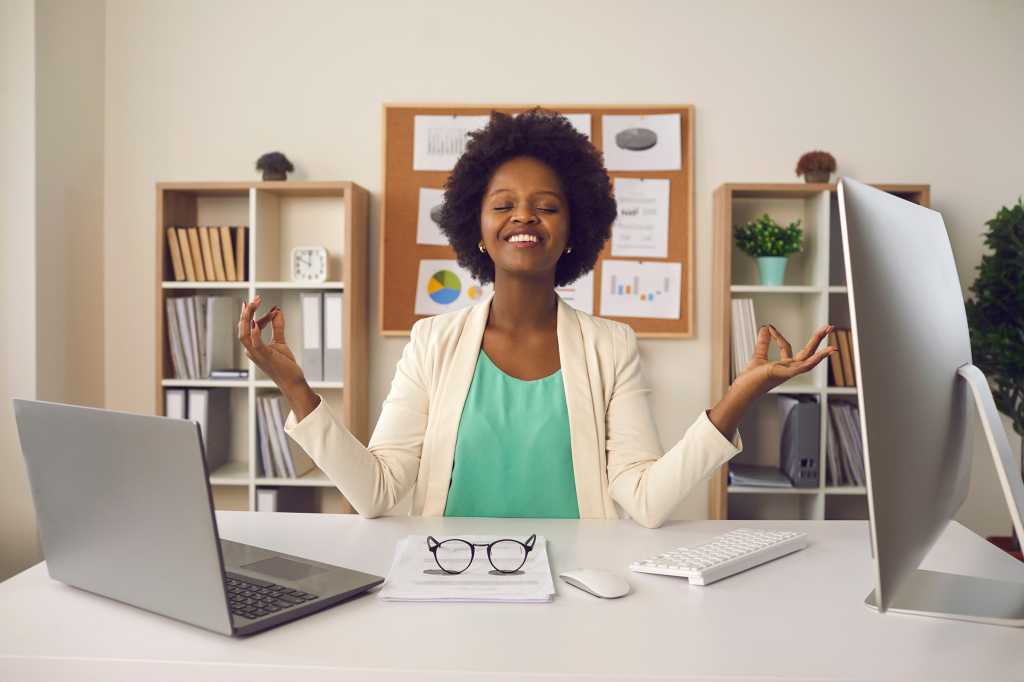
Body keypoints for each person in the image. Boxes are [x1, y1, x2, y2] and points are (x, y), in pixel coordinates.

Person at [238, 108, 835, 528]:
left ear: (574, 229)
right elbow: (376, 492)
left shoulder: (611, 346)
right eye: (504, 205)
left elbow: (646, 499)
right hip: (448, 581)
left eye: (546, 206)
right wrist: (296, 387)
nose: (524, 217)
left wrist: (739, 396)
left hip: (576, 590)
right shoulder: (432, 342)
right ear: (477, 226)